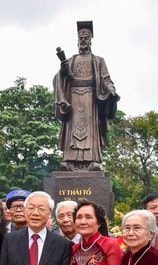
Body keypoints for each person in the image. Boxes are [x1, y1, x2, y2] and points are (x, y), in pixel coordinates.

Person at [53, 21, 119, 171]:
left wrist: (111, 89)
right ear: (77, 41)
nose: (83, 41)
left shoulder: (98, 61)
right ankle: (70, 161)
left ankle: (92, 161)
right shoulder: (71, 60)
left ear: (90, 41)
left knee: (90, 131)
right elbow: (58, 78)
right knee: (73, 130)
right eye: (81, 38)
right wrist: (63, 72)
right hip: (73, 98)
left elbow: (106, 79)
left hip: (91, 99)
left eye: (86, 38)